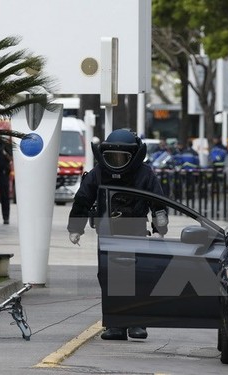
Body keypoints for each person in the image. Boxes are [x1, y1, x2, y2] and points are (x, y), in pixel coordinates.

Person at [67, 128, 168, 341]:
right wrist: (75, 228)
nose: (117, 161)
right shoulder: (99, 173)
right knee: (109, 277)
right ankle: (114, 325)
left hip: (136, 231)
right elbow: (83, 199)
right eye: (112, 157)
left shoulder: (144, 174)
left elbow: (158, 203)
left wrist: (160, 230)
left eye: (122, 157)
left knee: (137, 277)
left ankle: (137, 323)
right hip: (108, 233)